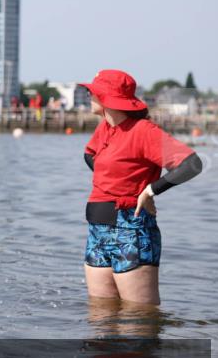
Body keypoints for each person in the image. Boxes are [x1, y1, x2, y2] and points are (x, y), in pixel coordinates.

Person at [80, 70, 202, 305]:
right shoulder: (105, 128)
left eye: (92, 92)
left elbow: (192, 164)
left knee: (139, 319)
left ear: (108, 98)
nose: (88, 95)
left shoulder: (143, 131)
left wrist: (150, 190)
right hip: (97, 231)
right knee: (100, 321)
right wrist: (114, 180)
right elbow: (89, 154)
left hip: (131, 231)